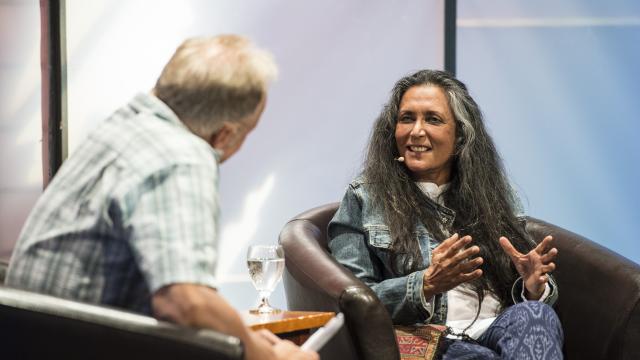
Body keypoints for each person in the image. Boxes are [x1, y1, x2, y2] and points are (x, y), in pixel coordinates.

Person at [7, 35, 317, 360]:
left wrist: (239, 331)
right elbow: (184, 303)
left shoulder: (124, 128)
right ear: (225, 134)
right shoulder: (180, 156)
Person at [328, 69, 563, 359]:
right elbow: (352, 300)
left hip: (496, 329)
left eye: (433, 119)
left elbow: (526, 292)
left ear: (461, 136)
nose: (416, 131)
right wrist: (424, 285)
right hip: (427, 339)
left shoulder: (493, 195)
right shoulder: (365, 198)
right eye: (407, 118)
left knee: (537, 315)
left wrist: (531, 287)